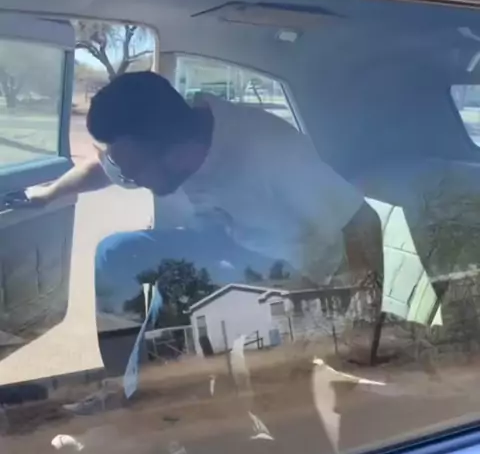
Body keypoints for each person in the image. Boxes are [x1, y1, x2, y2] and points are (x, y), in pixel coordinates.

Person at [26, 71, 383, 333]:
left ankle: (156, 373)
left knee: (188, 297)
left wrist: (363, 317)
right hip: (227, 243)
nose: (129, 180)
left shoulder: (271, 150)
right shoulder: (161, 141)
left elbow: (362, 221)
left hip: (293, 266)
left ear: (179, 153)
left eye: (135, 172)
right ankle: (126, 379)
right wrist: (49, 194)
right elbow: (103, 169)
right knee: (116, 253)